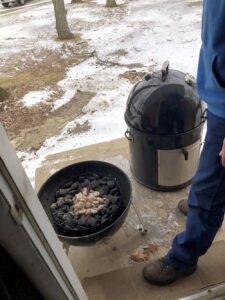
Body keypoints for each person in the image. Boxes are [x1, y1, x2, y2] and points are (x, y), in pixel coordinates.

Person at [143, 0, 225, 285]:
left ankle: (183, 257)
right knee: (211, 172)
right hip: (219, 90)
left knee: (210, 183)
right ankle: (204, 206)